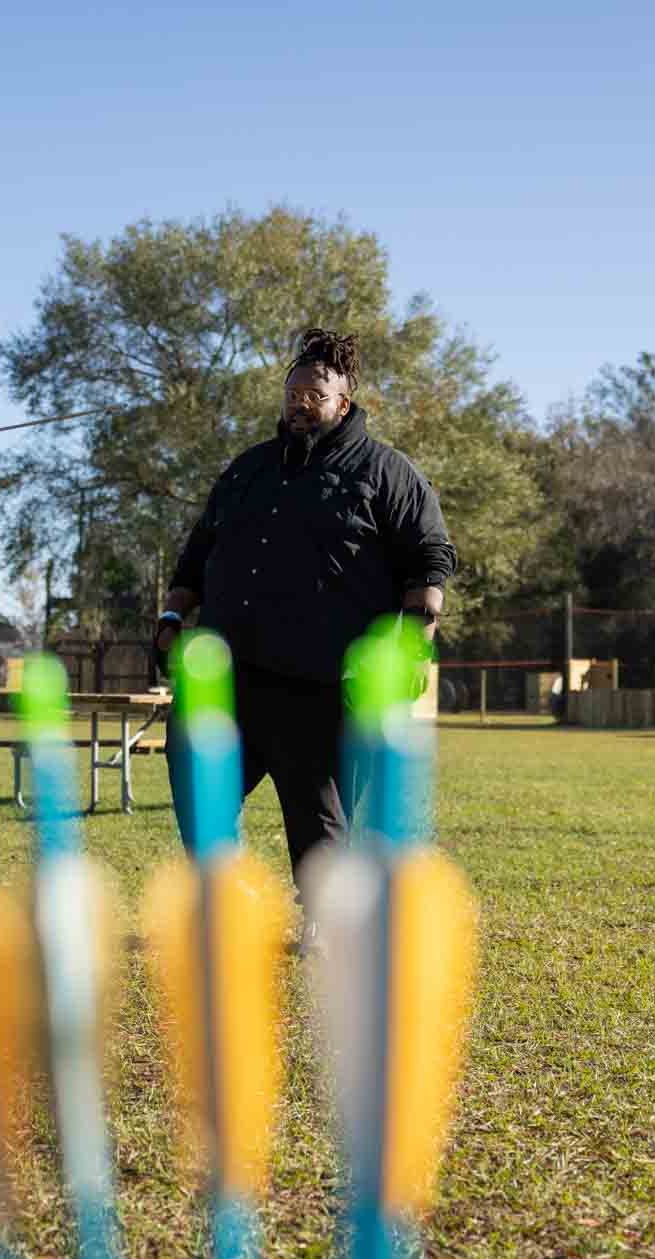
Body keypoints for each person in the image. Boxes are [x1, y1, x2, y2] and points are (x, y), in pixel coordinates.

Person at [154, 328, 454, 902]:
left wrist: (416, 641)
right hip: (223, 671)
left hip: (317, 681)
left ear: (344, 402)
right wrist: (171, 616)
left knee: (318, 821)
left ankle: (324, 913)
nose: (300, 401)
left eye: (315, 393)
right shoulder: (248, 470)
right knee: (197, 786)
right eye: (293, 391)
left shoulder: (386, 473)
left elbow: (429, 559)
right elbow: (197, 553)